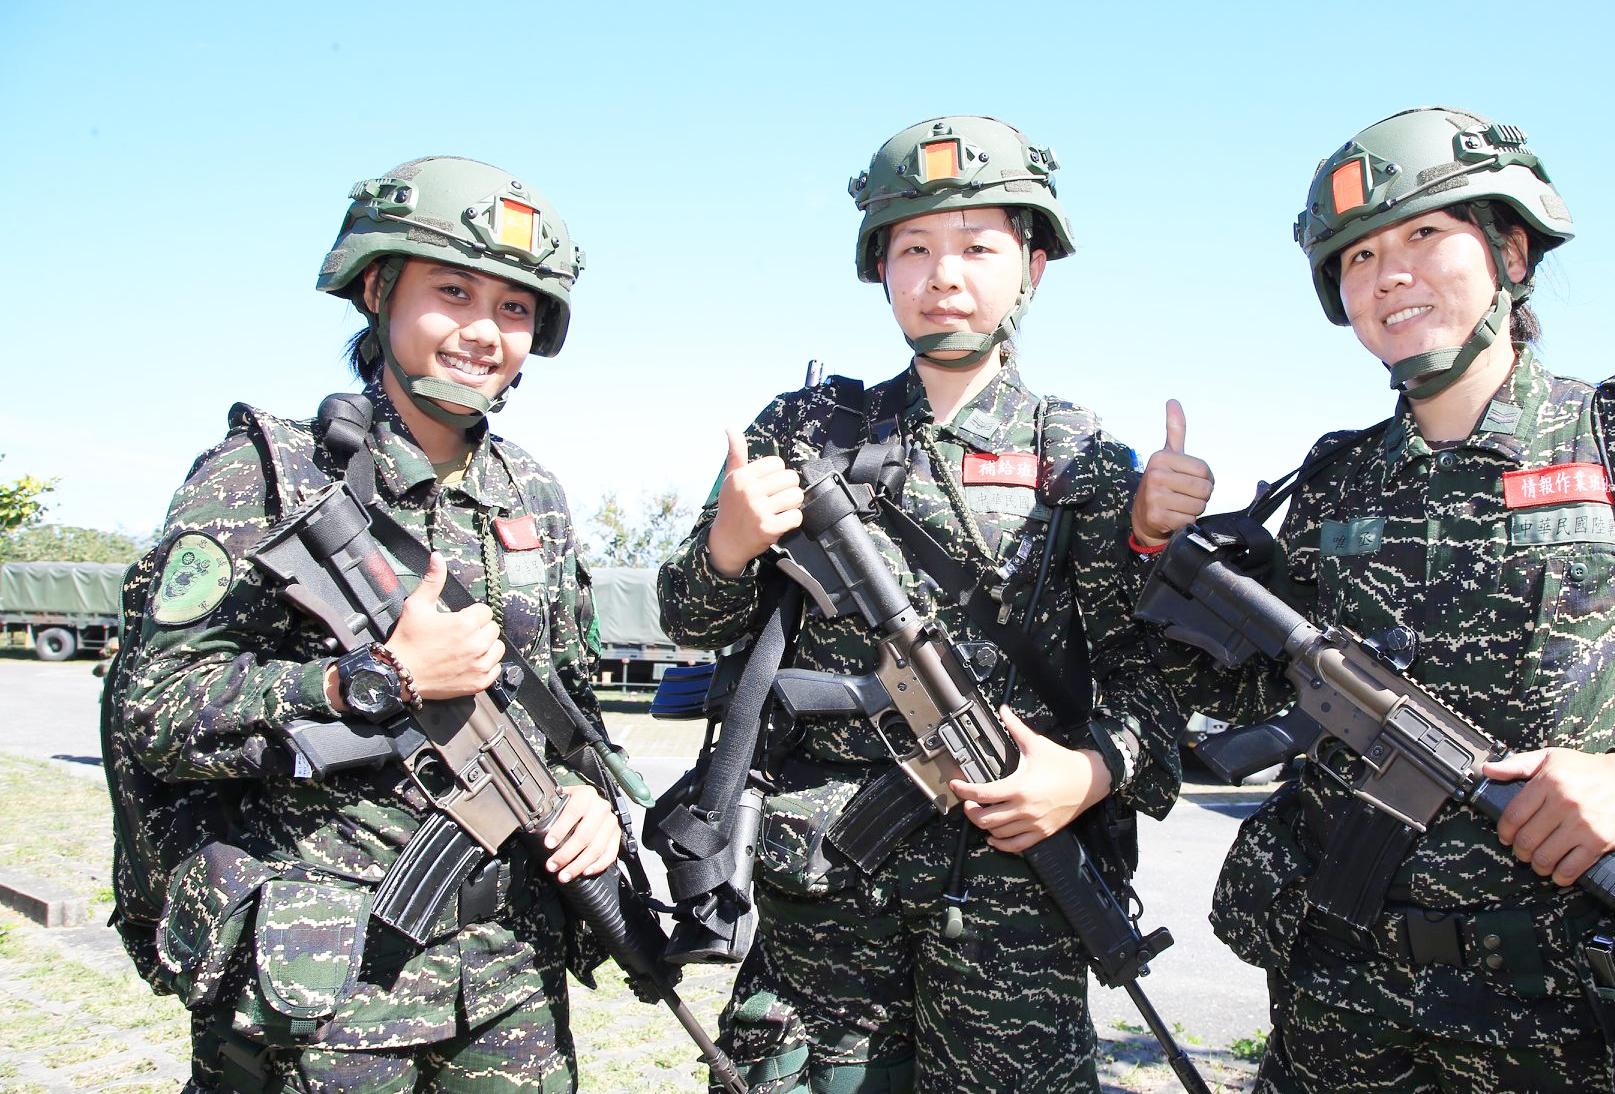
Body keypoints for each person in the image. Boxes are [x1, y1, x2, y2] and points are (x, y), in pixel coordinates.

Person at [1131, 106, 1615, 1091]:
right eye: (1358, 256)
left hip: (1570, 1009)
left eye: (1425, 235)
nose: (1389, 274)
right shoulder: (1334, 480)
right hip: (1343, 1006)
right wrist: (1162, 548)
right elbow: (1248, 691)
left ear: (1511, 251)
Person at [657, 115, 1182, 1092]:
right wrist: (728, 545)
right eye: (914, 248)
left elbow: (1147, 681)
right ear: (881, 268)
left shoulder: (1081, 454)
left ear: (1033, 267)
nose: (944, 274)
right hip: (826, 894)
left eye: (978, 247)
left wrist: (1089, 774)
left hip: (1014, 901)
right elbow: (690, 622)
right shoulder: (805, 428)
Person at [112, 156, 630, 1092]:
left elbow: (568, 706)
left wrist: (588, 799)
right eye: (452, 292)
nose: (483, 331)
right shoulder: (269, 476)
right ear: (378, 290)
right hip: (324, 982)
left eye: (515, 308)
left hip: (510, 975)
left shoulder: (534, 494)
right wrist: (371, 681)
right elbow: (154, 710)